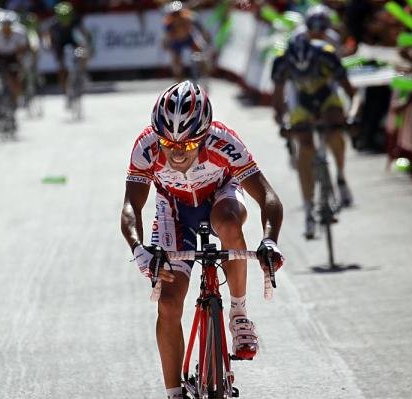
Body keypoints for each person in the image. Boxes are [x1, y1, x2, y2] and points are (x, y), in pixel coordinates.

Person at [120, 81, 284, 399]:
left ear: (205, 135)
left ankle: (238, 314)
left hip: (220, 198)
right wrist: (139, 249)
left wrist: (269, 240)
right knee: (168, 304)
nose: (177, 153)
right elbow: (131, 206)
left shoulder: (224, 141)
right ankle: (173, 393)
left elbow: (267, 196)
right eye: (169, 144)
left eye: (189, 146)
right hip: (174, 212)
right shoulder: (146, 146)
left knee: (228, 224)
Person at [271, 31, 356, 239]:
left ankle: (341, 177)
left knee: (335, 128)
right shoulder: (281, 62)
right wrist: (283, 123)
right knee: (305, 146)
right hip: (302, 103)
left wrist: (352, 117)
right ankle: (308, 209)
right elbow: (278, 100)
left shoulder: (327, 54)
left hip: (327, 97)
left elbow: (352, 94)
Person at [0, 10, 28, 118]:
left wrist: (20, 63)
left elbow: (22, 50)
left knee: (16, 79)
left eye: (9, 25)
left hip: (12, 56)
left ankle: (15, 101)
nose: (6, 27)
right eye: (4, 25)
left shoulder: (20, 32)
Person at [43, 1, 90, 94]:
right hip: (60, 46)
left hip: (74, 45)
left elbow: (83, 33)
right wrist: (47, 44)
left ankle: (82, 73)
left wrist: (85, 43)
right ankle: (64, 89)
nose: (65, 20)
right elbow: (48, 36)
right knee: (61, 68)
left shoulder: (76, 21)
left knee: (83, 54)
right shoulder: (53, 24)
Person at [162, 1, 211, 81]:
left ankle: (204, 76)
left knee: (201, 54)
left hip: (188, 38)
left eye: (178, 13)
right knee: (176, 63)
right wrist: (165, 43)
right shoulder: (169, 20)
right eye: (174, 13)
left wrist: (205, 35)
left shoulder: (189, 16)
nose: (177, 15)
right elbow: (167, 35)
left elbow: (201, 28)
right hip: (176, 41)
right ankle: (179, 82)